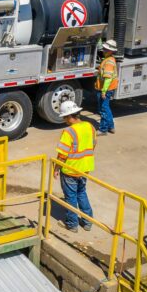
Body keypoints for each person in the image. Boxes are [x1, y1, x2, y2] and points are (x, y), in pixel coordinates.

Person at [54, 100, 96, 233]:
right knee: (82, 193)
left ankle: (72, 224)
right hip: (85, 168)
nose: (64, 120)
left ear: (68, 116)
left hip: (70, 170)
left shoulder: (68, 132)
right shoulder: (90, 126)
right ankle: (88, 222)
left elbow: (62, 155)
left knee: (71, 197)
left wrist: (56, 168)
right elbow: (93, 144)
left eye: (64, 117)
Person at [95, 39, 118, 136]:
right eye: (104, 48)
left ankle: (103, 129)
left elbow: (108, 79)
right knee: (106, 108)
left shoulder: (109, 62)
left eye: (106, 49)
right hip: (108, 88)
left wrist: (104, 91)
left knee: (103, 109)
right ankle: (111, 126)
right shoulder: (108, 59)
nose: (103, 50)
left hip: (106, 89)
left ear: (111, 51)